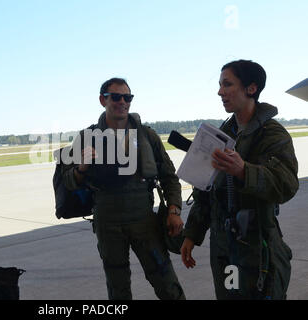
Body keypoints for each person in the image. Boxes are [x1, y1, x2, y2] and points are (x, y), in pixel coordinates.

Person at [180, 60, 299, 299]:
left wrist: (244, 170)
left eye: (227, 84)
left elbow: (286, 184)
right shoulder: (223, 135)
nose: (220, 91)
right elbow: (208, 190)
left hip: (258, 248)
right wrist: (192, 234)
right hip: (224, 249)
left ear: (251, 89)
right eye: (220, 85)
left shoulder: (273, 135)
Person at [62, 78, 186, 300]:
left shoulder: (147, 136)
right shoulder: (86, 138)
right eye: (116, 97)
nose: (122, 102)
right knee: (118, 290)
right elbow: (68, 183)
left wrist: (174, 210)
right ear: (103, 100)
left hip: (144, 222)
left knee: (167, 284)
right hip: (108, 225)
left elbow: (169, 177)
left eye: (127, 97)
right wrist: (81, 168)